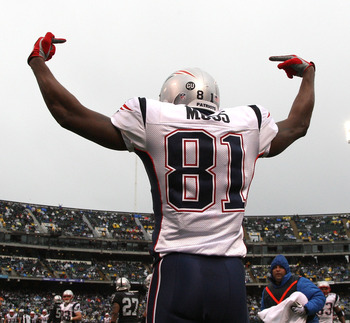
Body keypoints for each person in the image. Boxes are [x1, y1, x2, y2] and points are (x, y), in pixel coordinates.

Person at [28, 32, 315, 323]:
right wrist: (308, 75)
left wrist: (38, 62)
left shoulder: (153, 116)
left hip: (178, 267)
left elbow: (68, 114)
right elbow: (297, 126)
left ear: (172, 95)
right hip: (229, 275)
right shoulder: (249, 122)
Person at [260, 255, 325, 323]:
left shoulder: (299, 282)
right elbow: (264, 313)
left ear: (286, 270)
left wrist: (306, 309)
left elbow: (319, 296)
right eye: (275, 267)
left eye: (281, 267)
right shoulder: (267, 290)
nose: (278, 270)